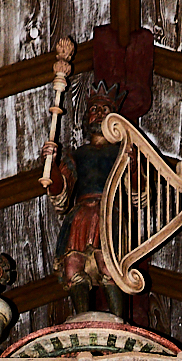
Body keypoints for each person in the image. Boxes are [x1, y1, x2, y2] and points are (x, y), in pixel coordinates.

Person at [45, 88, 128, 319]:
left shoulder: (121, 153)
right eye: (94, 109)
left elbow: (138, 190)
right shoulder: (77, 155)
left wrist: (133, 160)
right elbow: (61, 193)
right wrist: (51, 165)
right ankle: (82, 319)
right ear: (86, 118)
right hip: (81, 214)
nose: (99, 114)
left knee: (108, 265)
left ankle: (118, 320)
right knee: (73, 266)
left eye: (105, 110)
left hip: (108, 213)